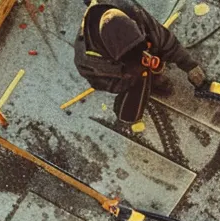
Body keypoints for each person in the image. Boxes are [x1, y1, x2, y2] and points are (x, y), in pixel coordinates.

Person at [74, 0, 207, 126]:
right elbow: (101, 83)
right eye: (144, 58)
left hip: (127, 54)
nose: (148, 58)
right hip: (120, 75)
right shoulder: (88, 60)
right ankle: (127, 105)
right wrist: (133, 77)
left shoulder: (133, 13)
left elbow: (166, 40)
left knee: (154, 48)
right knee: (135, 98)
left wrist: (189, 65)